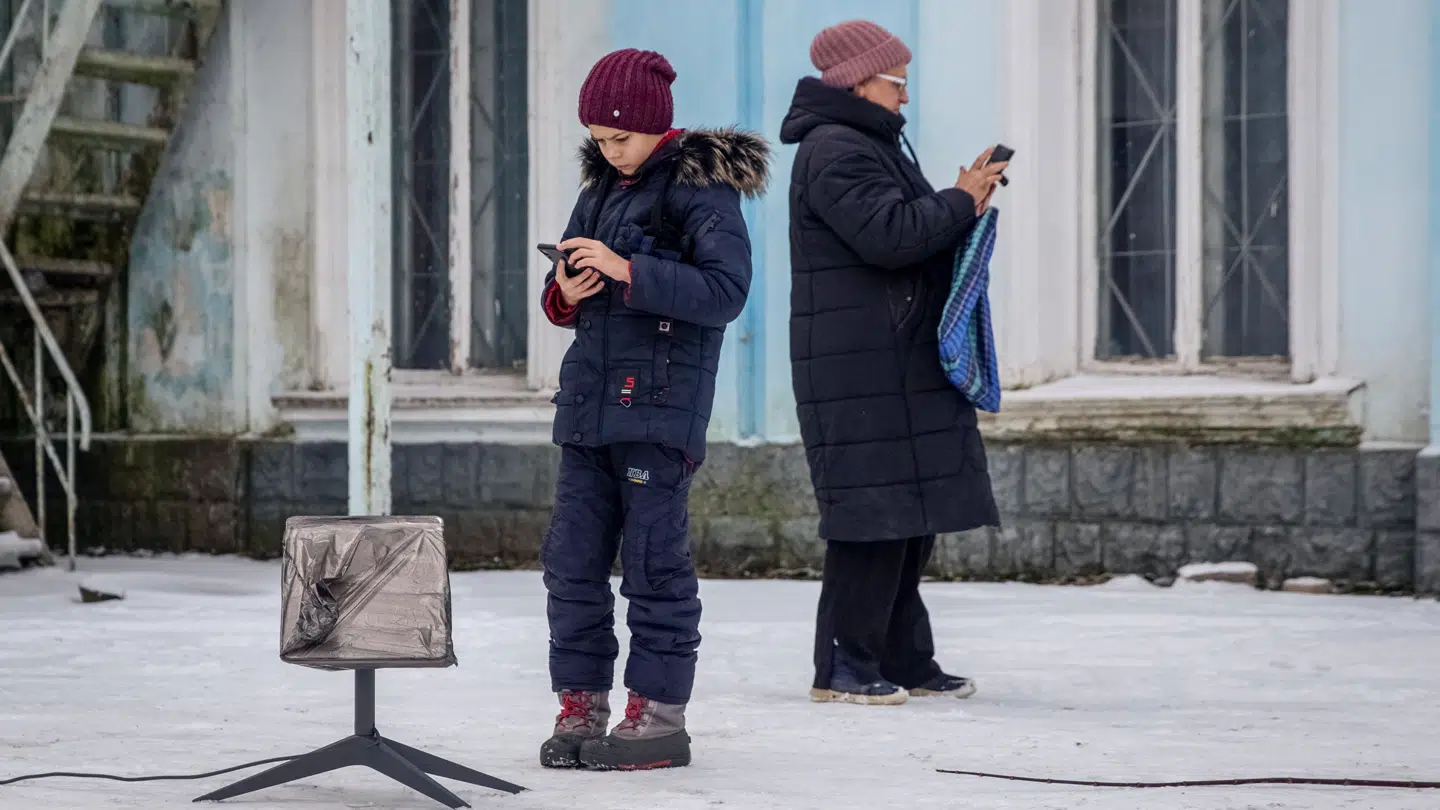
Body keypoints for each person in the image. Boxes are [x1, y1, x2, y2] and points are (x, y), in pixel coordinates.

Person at [536, 48, 771, 770]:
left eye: (621, 139)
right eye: (599, 141)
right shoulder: (601, 187)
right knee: (571, 564)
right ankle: (582, 705)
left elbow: (725, 292)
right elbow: (569, 294)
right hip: (588, 408)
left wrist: (628, 270)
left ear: (654, 127)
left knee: (652, 565)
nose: (610, 152)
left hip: (661, 410)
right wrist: (567, 291)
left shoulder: (702, 192)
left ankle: (658, 714)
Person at [780, 20, 1006, 706]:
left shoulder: (867, 143)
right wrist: (962, 199)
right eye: (897, 82)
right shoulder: (834, 151)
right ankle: (845, 667)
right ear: (857, 80)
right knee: (870, 522)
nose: (906, 97)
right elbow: (890, 237)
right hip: (860, 370)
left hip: (892, 360)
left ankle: (905, 658)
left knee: (909, 518)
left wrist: (961, 205)